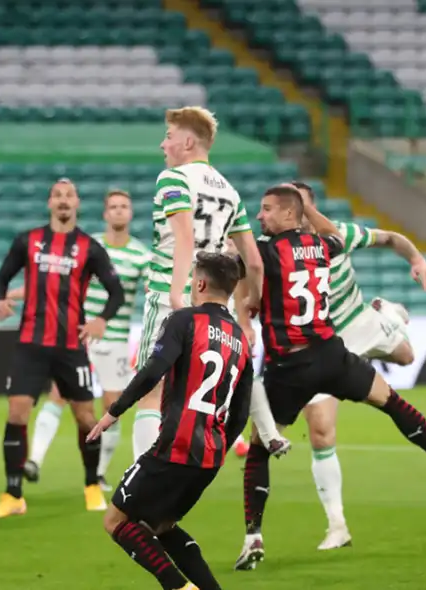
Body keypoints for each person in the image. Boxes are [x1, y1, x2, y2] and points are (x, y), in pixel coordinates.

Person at [234, 185, 426, 571]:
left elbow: (241, 261)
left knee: (261, 446)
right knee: (387, 402)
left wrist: (244, 294)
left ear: (290, 213)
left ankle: (253, 536)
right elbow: (334, 239)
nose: (259, 216)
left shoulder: (263, 251)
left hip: (291, 365)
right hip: (333, 351)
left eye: (266, 210)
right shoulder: (328, 245)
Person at [87, 252, 254, 590]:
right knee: (162, 527)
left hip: (174, 447)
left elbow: (152, 370)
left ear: (201, 283)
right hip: (209, 456)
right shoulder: (241, 339)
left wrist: (113, 411)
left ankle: (177, 587)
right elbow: (241, 410)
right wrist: (220, 449)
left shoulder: (184, 320)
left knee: (116, 521)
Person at [0, 179, 125, 518]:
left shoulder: (89, 247)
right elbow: (0, 278)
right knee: (17, 412)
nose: (64, 201)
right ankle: (13, 494)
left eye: (69, 196)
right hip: (30, 344)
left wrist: (101, 320)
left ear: (77, 203)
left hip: (70, 347)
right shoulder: (28, 241)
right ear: (50, 203)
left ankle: (92, 484)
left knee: (85, 416)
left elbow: (116, 292)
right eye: (58, 196)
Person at [133, 106, 264, 462]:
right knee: (189, 392)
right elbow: (253, 260)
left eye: (169, 136)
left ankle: (141, 482)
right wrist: (253, 301)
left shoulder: (173, 179)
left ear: (188, 141)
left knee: (151, 388)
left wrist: (177, 293)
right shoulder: (231, 192)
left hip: (170, 295)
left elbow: (184, 238)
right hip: (215, 303)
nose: (163, 144)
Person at [6, 189, 151, 491]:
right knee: (59, 395)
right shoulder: (86, 246)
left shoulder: (141, 255)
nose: (119, 211)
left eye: (124, 206)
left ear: (131, 213)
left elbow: (151, 291)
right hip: (76, 337)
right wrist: (13, 294)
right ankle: (34, 460)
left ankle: (97, 472)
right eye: (113, 206)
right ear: (104, 213)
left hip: (115, 339)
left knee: (112, 405)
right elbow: (52, 283)